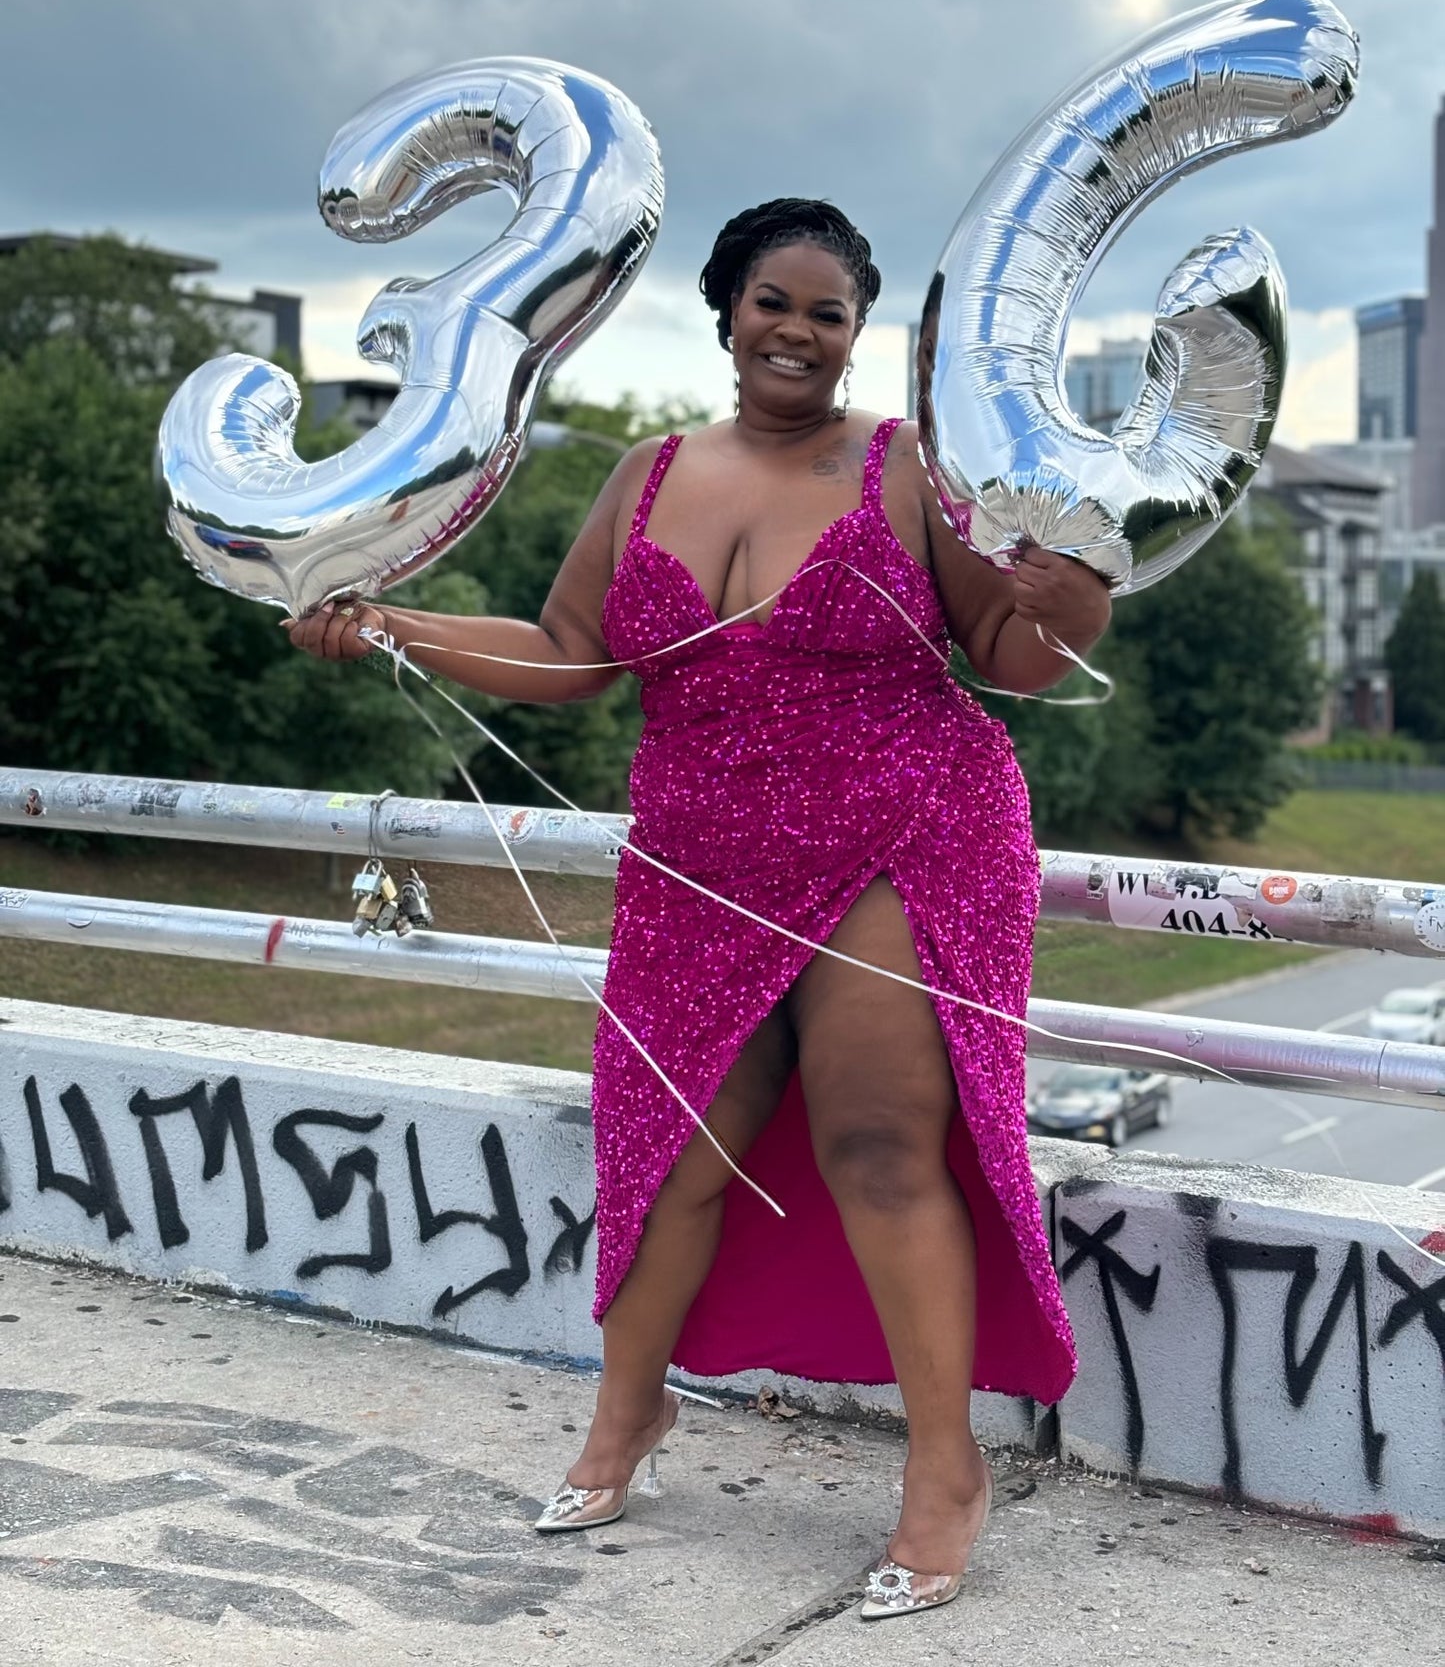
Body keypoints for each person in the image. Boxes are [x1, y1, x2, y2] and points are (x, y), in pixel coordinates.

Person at [285, 197, 1111, 1622]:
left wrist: (1076, 591)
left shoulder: (915, 468)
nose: (797, 333)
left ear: (858, 336)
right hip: (696, 859)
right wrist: (388, 621)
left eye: (827, 313)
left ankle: (942, 1471)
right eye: (773, 304)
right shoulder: (646, 471)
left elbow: (1009, 654)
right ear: (725, 312)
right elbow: (567, 652)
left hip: (899, 830)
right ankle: (626, 1417)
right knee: (667, 1152)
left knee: (874, 1139)